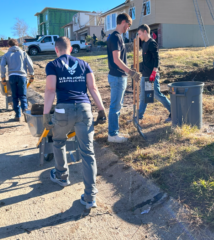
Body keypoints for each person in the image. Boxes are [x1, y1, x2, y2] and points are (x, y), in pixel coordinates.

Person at [43, 36, 106, 209]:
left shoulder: (52, 65)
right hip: (85, 109)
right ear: (70, 49)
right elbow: (93, 88)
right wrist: (101, 109)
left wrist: (46, 114)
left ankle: (62, 175)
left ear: (56, 49)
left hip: (63, 109)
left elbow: (50, 89)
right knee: (88, 152)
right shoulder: (84, 64)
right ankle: (90, 197)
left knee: (58, 141)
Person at [106, 13, 141, 143]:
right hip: (117, 77)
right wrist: (130, 72)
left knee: (117, 105)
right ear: (123, 22)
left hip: (117, 76)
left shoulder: (115, 37)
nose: (128, 28)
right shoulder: (116, 37)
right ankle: (113, 135)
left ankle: (114, 132)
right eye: (128, 25)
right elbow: (116, 59)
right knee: (115, 106)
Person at [137, 24, 171, 122]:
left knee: (157, 95)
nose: (139, 36)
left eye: (139, 33)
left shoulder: (152, 43)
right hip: (145, 74)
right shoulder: (144, 43)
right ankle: (139, 116)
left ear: (145, 32)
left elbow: (157, 59)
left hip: (152, 75)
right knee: (143, 96)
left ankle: (174, 112)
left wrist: (154, 73)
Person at [0, 39, 34, 121]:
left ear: (9, 45)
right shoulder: (23, 53)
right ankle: (26, 115)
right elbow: (30, 64)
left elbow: (2, 66)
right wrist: (32, 75)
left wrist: (3, 77)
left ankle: (18, 116)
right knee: (23, 96)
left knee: (14, 96)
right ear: (17, 45)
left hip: (12, 77)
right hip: (22, 77)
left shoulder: (6, 54)